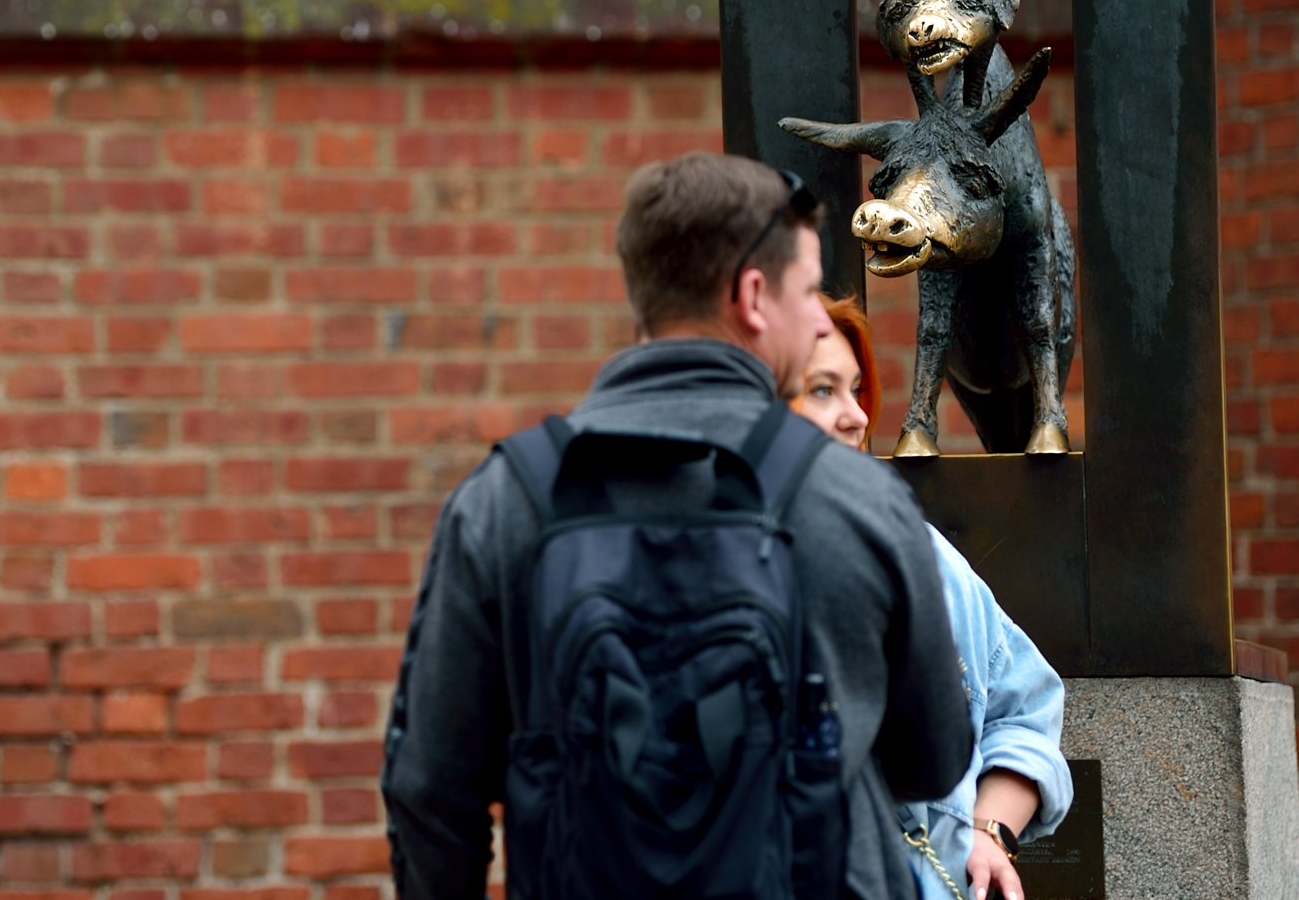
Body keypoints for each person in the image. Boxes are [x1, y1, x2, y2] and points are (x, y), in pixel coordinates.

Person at [383, 152, 974, 900]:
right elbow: (934, 758)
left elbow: (430, 791)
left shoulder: (504, 501)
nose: (817, 320)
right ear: (753, 297)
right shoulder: (856, 500)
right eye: (806, 291)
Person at [789, 299, 1073, 900]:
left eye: (856, 390)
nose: (854, 416)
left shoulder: (926, 555)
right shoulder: (722, 564)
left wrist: (988, 830)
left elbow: (1026, 706)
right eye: (822, 390)